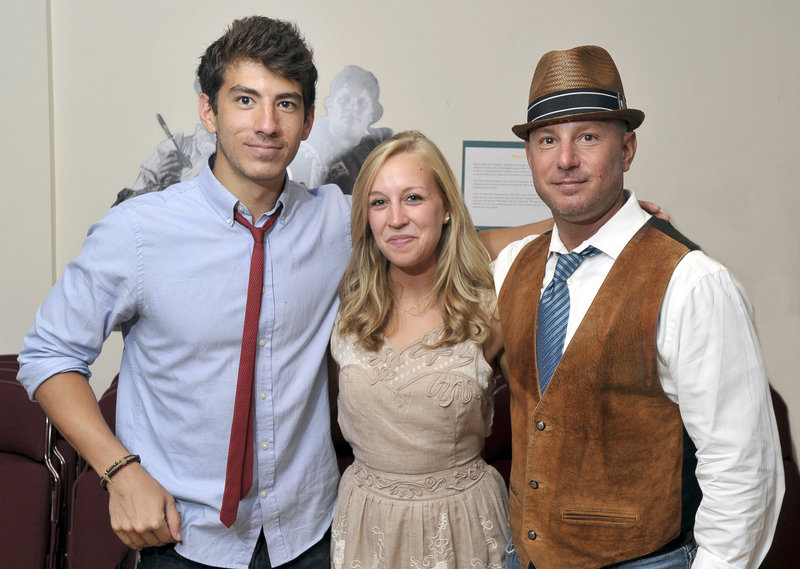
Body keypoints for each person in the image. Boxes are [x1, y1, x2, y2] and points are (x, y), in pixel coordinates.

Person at [17, 16, 349, 568]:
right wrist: (119, 472)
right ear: (207, 111)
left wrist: (548, 223)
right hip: (182, 541)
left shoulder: (337, 221)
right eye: (245, 99)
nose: (267, 123)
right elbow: (49, 357)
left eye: (286, 104)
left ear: (309, 120)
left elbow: (453, 234)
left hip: (312, 537)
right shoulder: (138, 232)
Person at [494, 45, 784, 569]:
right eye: (546, 140)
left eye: (587, 136)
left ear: (626, 151)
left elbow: (742, 468)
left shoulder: (692, 283)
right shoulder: (512, 266)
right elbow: (428, 242)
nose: (565, 159)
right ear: (531, 156)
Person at [330, 130, 510, 568]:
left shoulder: (490, 308)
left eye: (412, 198)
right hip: (365, 526)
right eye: (379, 202)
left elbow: (538, 427)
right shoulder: (347, 306)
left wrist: (611, 216)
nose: (395, 218)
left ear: (445, 207)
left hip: (463, 525)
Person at [289, 65, 392, 194]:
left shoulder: (383, 146)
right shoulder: (306, 151)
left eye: (362, 103)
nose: (352, 108)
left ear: (372, 114)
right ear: (330, 105)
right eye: (344, 100)